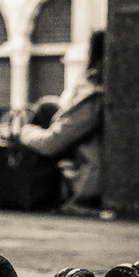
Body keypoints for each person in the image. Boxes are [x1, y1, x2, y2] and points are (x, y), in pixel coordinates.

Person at [19, 30, 105, 210]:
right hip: (90, 173)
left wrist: (23, 131)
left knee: (45, 109)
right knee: (49, 106)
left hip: (86, 184)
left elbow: (51, 143)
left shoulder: (95, 97)